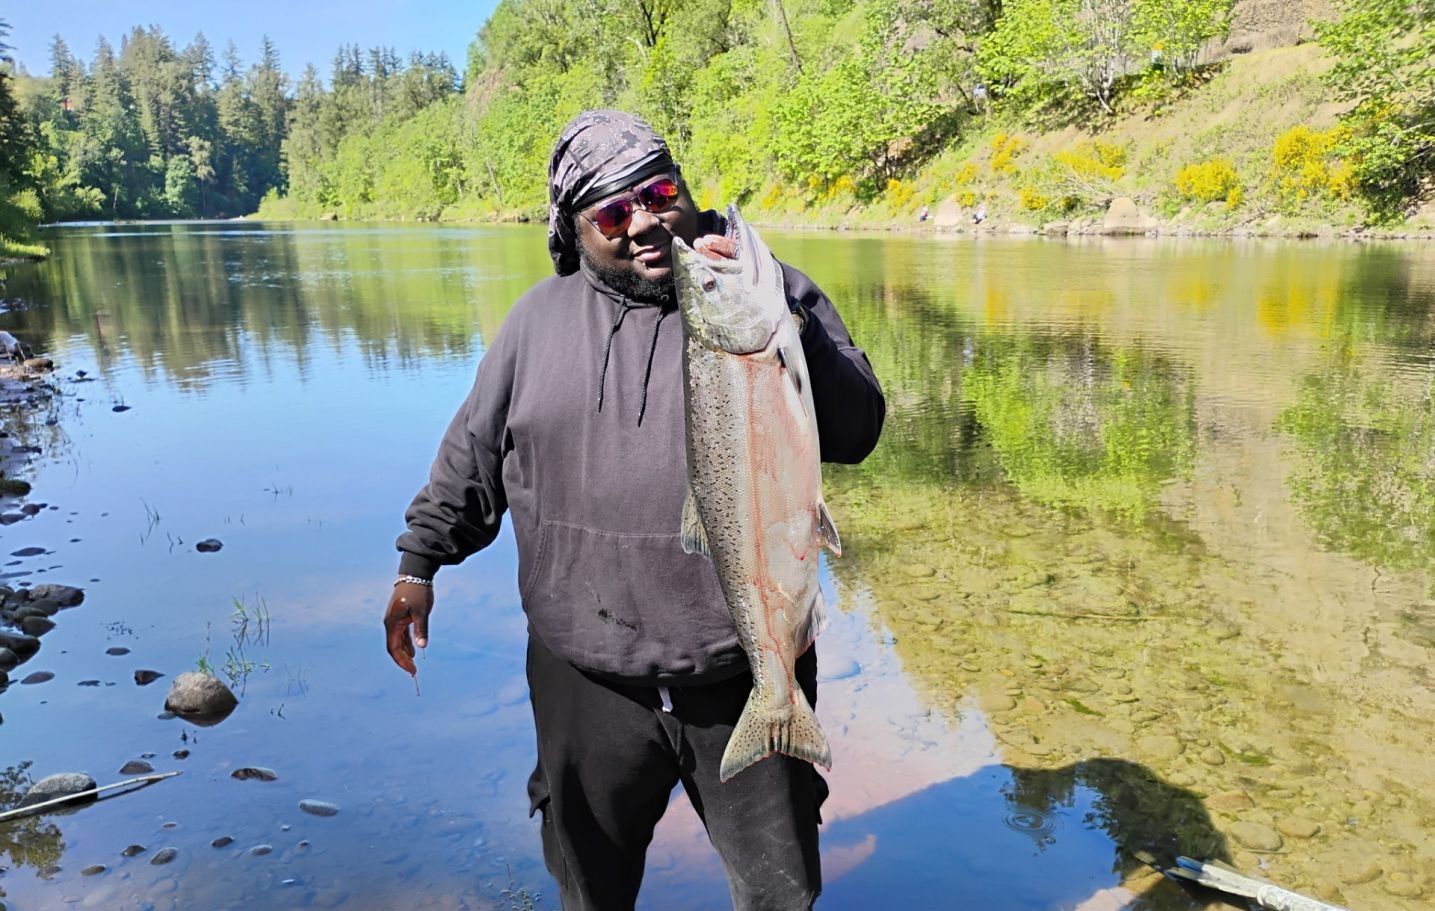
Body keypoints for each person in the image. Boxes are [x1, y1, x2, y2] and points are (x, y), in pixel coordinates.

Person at [384, 110, 885, 911]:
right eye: (614, 213)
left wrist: (794, 329)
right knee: (590, 888)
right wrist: (418, 565)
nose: (646, 222)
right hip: (586, 681)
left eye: (659, 194)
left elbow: (857, 430)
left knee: (779, 894)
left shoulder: (760, 289)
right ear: (574, 229)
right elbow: (471, 459)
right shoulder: (533, 324)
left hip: (742, 670)